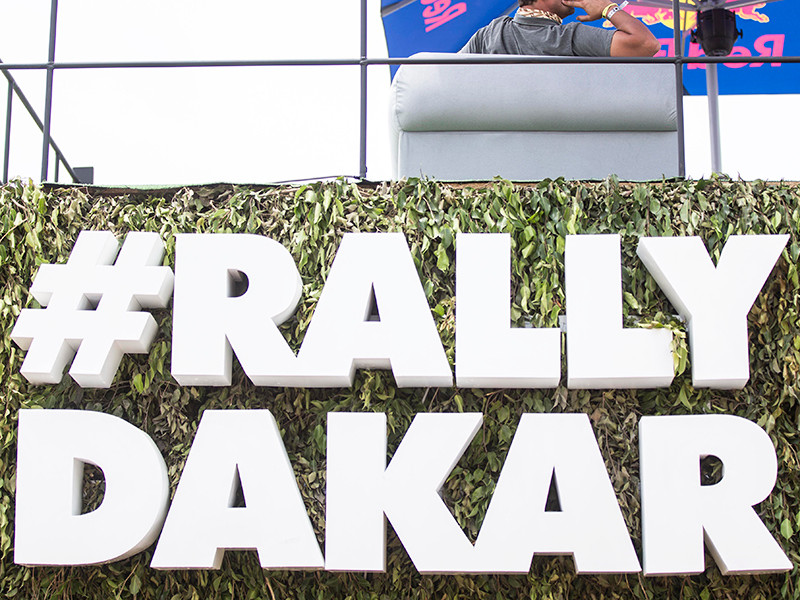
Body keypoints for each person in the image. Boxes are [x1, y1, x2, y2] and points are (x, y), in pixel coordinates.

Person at [459, 0, 659, 57]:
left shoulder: (489, 34)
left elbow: (447, 72)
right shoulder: (568, 37)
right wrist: (607, 8)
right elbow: (646, 44)